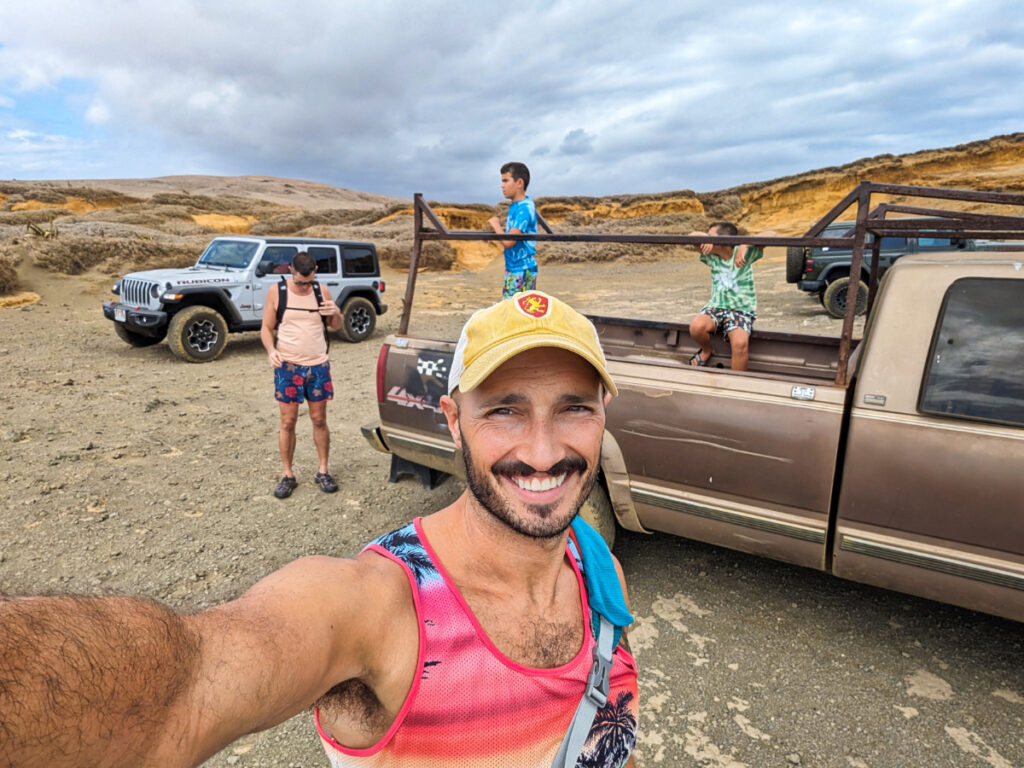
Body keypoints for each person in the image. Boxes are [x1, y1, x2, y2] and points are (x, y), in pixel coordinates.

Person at [0, 290, 639, 768]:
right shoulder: (379, 604)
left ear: (603, 413)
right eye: (505, 410)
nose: (545, 449)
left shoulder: (595, 567)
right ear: (451, 419)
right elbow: (186, 681)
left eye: (573, 408)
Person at [260, 251, 343, 498]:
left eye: (309, 281)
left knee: (319, 420)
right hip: (288, 367)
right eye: (300, 282)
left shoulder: (322, 292)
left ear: (315, 270)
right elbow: (265, 327)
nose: (305, 286)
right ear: (290, 271)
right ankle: (288, 475)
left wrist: (335, 311)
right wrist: (271, 350)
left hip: (318, 366)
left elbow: (336, 326)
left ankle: (323, 471)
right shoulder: (277, 292)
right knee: (288, 422)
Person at [687, 221, 777, 371]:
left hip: (740, 310)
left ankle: (736, 383)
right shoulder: (710, 255)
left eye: (711, 237)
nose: (707, 240)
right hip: (716, 307)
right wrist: (707, 238)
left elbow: (772, 234)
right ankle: (707, 350)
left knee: (740, 344)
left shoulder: (744, 254)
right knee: (696, 327)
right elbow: (692, 236)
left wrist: (744, 244)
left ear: (725, 241)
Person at [488, 161, 538, 299]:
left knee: (512, 310)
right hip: (517, 267)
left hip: (520, 270)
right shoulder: (518, 205)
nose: (502, 185)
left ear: (519, 183)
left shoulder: (524, 208)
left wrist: (496, 225)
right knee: (520, 311)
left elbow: (509, 242)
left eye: (506, 180)